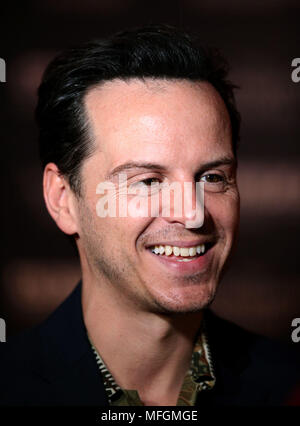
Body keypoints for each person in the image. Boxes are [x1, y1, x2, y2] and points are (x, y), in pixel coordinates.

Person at [0, 25, 299, 407]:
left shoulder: (286, 385)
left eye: (211, 177)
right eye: (147, 182)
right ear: (62, 199)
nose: (191, 214)